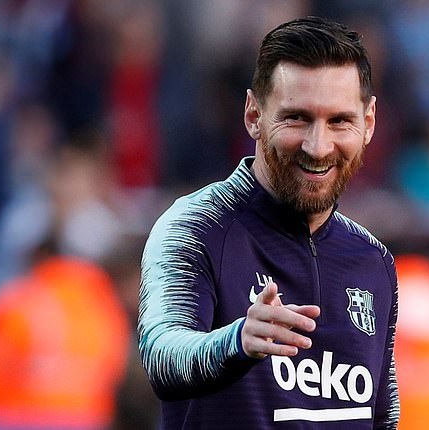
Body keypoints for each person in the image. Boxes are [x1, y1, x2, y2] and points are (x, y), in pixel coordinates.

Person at [138, 16, 399, 429]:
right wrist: (237, 341)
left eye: (339, 121)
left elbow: (382, 417)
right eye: (296, 118)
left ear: (368, 123)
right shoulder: (196, 227)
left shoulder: (373, 261)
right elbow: (162, 355)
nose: (318, 147)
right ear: (254, 115)